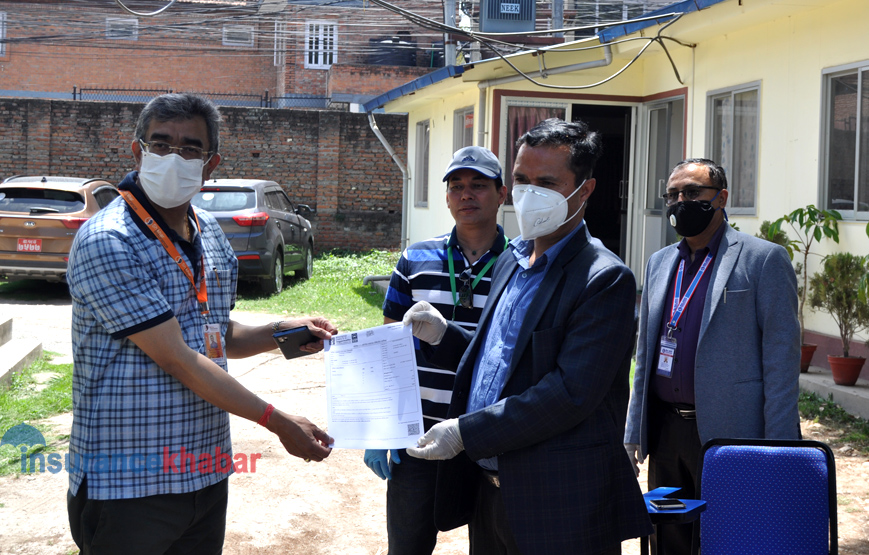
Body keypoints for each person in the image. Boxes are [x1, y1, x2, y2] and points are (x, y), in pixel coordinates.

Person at [65, 93, 336, 554]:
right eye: (160, 144)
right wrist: (276, 421)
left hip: (204, 472)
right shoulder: (109, 239)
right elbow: (178, 357)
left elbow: (216, 334)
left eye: (190, 148)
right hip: (129, 483)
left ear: (210, 165)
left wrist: (283, 333)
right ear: (138, 152)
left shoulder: (208, 232)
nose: (174, 157)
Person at [402, 119, 652, 555]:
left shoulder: (604, 279)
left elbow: (569, 393)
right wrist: (446, 335)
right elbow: (501, 357)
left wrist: (465, 432)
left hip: (558, 504)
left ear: (585, 191)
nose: (529, 193)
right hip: (489, 492)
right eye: (521, 180)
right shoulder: (512, 259)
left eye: (547, 183)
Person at [624, 158, 800, 555]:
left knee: (728, 537)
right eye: (672, 194)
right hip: (666, 432)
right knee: (669, 539)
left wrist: (780, 449)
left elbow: (781, 363)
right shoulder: (658, 263)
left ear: (721, 198)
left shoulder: (763, 259)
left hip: (731, 433)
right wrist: (633, 432)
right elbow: (645, 354)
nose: (679, 202)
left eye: (691, 193)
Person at [363, 146, 508, 555]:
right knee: (407, 547)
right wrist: (384, 430)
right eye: (456, 186)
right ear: (446, 197)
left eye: (479, 185)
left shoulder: (520, 264)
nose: (466, 194)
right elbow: (390, 348)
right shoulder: (415, 259)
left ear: (502, 194)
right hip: (419, 436)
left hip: (488, 437)